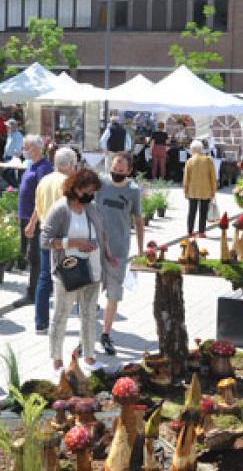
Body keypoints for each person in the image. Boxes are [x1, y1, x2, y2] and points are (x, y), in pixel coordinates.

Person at [41, 169, 117, 373]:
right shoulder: (60, 210)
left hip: (93, 270)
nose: (91, 194)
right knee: (61, 315)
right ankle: (57, 360)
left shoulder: (92, 208)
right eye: (88, 190)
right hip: (69, 271)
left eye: (93, 191)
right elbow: (45, 240)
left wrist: (108, 254)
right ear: (75, 188)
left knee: (89, 315)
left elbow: (103, 233)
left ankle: (90, 357)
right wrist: (73, 243)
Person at [25, 147, 78, 330]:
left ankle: (41, 322)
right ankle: (66, 317)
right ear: (70, 164)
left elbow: (38, 207)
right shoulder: (70, 183)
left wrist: (32, 224)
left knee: (44, 277)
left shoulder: (44, 181)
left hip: (45, 232)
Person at [96, 152, 144, 356]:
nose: (116, 172)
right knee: (88, 293)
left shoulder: (133, 191)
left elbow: (139, 221)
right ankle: (86, 335)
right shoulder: (100, 185)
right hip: (94, 247)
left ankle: (106, 334)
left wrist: (141, 250)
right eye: (114, 168)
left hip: (119, 250)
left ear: (129, 171)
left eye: (121, 170)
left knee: (114, 294)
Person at [18, 134, 53, 289]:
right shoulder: (31, 165)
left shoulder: (44, 168)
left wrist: (33, 222)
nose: (23, 150)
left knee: (35, 256)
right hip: (26, 215)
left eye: (25, 147)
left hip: (36, 218)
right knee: (30, 254)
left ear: (36, 149)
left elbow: (42, 198)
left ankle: (34, 291)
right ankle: (43, 287)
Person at [183, 140, 217, 238]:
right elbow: (213, 177)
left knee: (191, 211)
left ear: (193, 149)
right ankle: (202, 232)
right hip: (206, 190)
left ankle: (190, 232)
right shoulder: (208, 160)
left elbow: (186, 178)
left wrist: (185, 191)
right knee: (203, 211)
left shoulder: (190, 161)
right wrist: (214, 191)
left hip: (192, 190)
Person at [4, 119, 25, 186]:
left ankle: (15, 188)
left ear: (13, 127)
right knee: (7, 175)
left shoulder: (18, 136)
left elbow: (18, 149)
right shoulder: (10, 134)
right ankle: (11, 190)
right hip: (7, 158)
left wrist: (15, 158)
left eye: (8, 126)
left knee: (8, 175)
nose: (6, 128)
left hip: (13, 159)